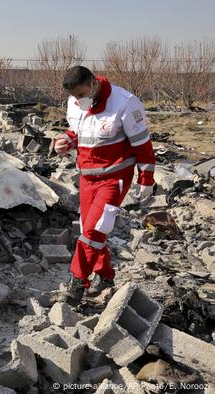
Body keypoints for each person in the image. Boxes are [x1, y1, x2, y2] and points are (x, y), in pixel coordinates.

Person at [54, 66, 155, 305]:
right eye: (74, 96)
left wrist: (146, 179)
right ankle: (106, 277)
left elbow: (142, 145)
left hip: (114, 179)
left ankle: (77, 282)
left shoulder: (125, 103)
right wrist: (65, 141)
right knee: (90, 231)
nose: (78, 100)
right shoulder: (75, 102)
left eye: (81, 94)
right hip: (88, 179)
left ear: (94, 83)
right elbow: (77, 131)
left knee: (94, 231)